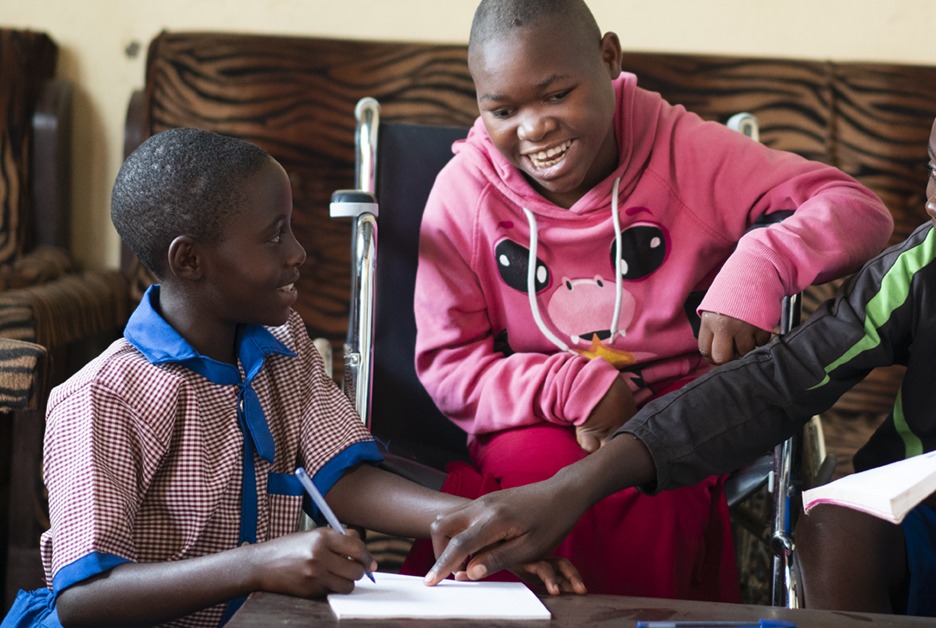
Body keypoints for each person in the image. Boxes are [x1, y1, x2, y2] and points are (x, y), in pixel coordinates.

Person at [421, 53, 936, 627]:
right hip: (923, 526)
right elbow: (778, 382)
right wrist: (574, 488)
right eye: (934, 174)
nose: (935, 206)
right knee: (835, 524)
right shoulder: (924, 269)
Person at [408, 0, 893, 601]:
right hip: (536, 412)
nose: (533, 128)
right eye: (503, 110)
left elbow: (857, 210)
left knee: (650, 483)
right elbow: (449, 367)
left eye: (556, 95)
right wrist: (567, 386)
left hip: (677, 416)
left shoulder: (684, 153)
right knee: (523, 487)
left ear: (609, 59)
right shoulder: (466, 193)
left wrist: (762, 261)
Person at [1, 128, 582, 628]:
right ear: (189, 261)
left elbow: (342, 479)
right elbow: (83, 601)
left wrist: (470, 524)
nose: (299, 252)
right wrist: (257, 564)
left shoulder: (284, 343)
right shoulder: (100, 397)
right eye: (275, 234)